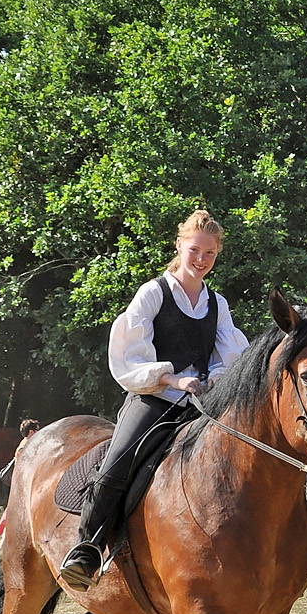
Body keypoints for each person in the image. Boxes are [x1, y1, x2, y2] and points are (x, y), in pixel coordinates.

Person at [57, 209, 251, 588]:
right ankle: (86, 550)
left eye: (210, 254)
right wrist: (173, 379)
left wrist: (213, 381)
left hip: (201, 406)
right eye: (195, 250)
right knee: (116, 464)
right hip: (154, 399)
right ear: (179, 246)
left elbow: (229, 358)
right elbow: (129, 356)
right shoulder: (153, 294)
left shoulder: (218, 304)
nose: (201, 259)